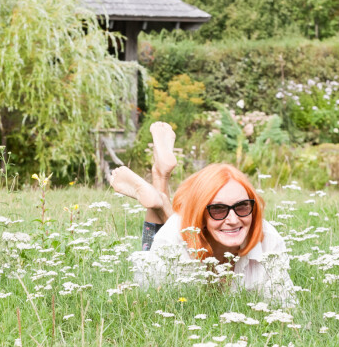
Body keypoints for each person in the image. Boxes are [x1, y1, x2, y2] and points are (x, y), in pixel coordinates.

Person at [110, 122, 295, 305]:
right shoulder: (172, 238)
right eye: (218, 209)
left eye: (242, 207)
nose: (233, 219)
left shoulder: (268, 239)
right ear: (201, 215)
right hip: (178, 235)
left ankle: (161, 185)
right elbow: (153, 298)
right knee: (152, 254)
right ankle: (158, 186)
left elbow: (287, 306)